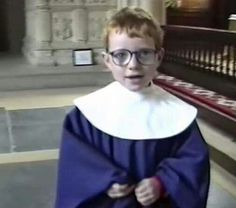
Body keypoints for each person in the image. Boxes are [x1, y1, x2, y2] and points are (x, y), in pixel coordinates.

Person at [55, 7, 210, 208]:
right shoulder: (84, 115)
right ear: (107, 61)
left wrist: (162, 183)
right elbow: (76, 165)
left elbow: (193, 162)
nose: (133, 65)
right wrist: (104, 181)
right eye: (120, 55)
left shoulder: (179, 114)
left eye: (144, 53)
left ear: (159, 57)